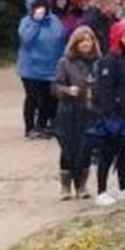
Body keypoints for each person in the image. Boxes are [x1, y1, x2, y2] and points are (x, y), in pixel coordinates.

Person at [89, 21, 125, 205]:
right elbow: (104, 90)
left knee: (124, 152)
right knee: (107, 153)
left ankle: (124, 186)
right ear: (117, 37)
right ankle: (101, 190)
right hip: (114, 116)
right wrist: (109, 114)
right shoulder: (109, 60)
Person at [52, 26, 100, 200]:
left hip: (90, 112)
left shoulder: (98, 62)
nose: (87, 44)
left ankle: (82, 185)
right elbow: (55, 86)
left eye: (90, 40)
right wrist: (67, 90)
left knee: (86, 149)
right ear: (75, 43)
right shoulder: (65, 62)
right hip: (69, 112)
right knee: (68, 149)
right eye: (83, 40)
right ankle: (65, 186)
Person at [17, 0, 66, 138]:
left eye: (42, 5)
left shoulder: (54, 21)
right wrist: (35, 22)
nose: (40, 8)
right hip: (30, 69)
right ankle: (30, 128)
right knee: (32, 98)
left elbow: (61, 38)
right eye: (36, 6)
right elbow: (26, 39)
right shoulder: (26, 22)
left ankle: (43, 125)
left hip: (50, 68)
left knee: (48, 99)